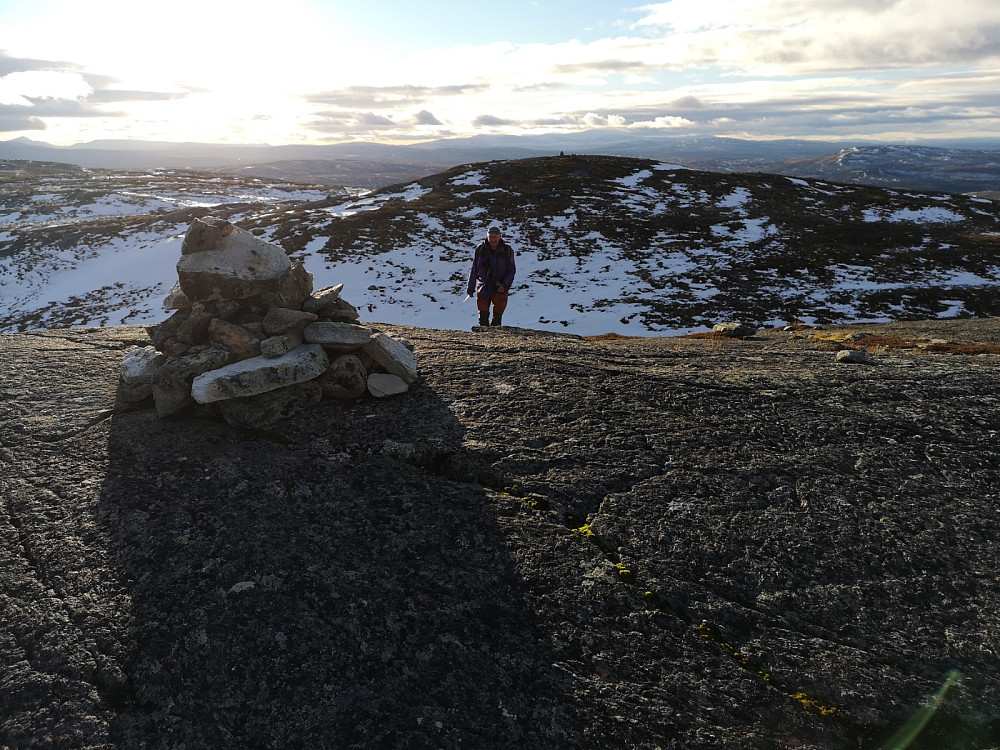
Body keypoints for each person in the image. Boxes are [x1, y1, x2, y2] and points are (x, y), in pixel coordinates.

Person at [466, 225, 516, 327]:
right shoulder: (480, 250)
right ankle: (483, 340)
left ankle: (495, 341)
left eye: (495, 237)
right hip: (483, 287)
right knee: (483, 318)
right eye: (491, 237)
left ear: (500, 237)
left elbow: (511, 270)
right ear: (487, 237)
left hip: (499, 288)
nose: (493, 240)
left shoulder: (507, 251)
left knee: (497, 319)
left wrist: (504, 285)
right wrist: (470, 288)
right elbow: (474, 269)